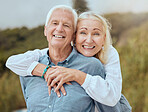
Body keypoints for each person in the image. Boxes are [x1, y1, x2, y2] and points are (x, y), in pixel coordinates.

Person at [6, 5, 131, 112]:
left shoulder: (103, 59)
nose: (59, 29)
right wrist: (46, 70)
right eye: (54, 23)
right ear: (45, 30)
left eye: (66, 25)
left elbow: (111, 98)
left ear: (72, 35)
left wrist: (77, 75)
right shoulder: (29, 66)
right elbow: (11, 61)